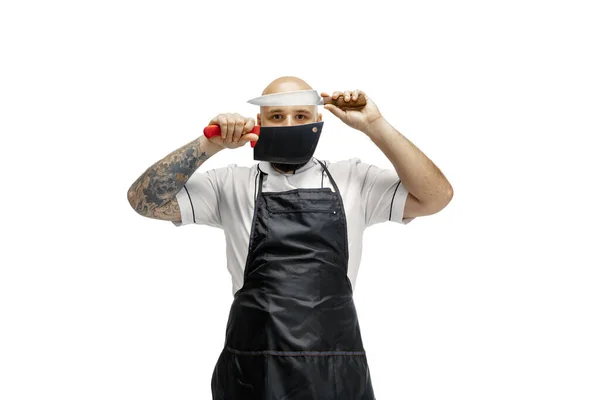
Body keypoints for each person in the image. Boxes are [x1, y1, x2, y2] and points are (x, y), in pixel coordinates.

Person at [127, 76, 453, 399]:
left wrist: (375, 125)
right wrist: (209, 144)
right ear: (260, 123)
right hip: (253, 372)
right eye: (277, 117)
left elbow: (435, 196)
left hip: (336, 374)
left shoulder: (355, 179)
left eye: (300, 116)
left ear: (318, 121)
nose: (288, 124)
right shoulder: (228, 185)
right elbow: (145, 201)